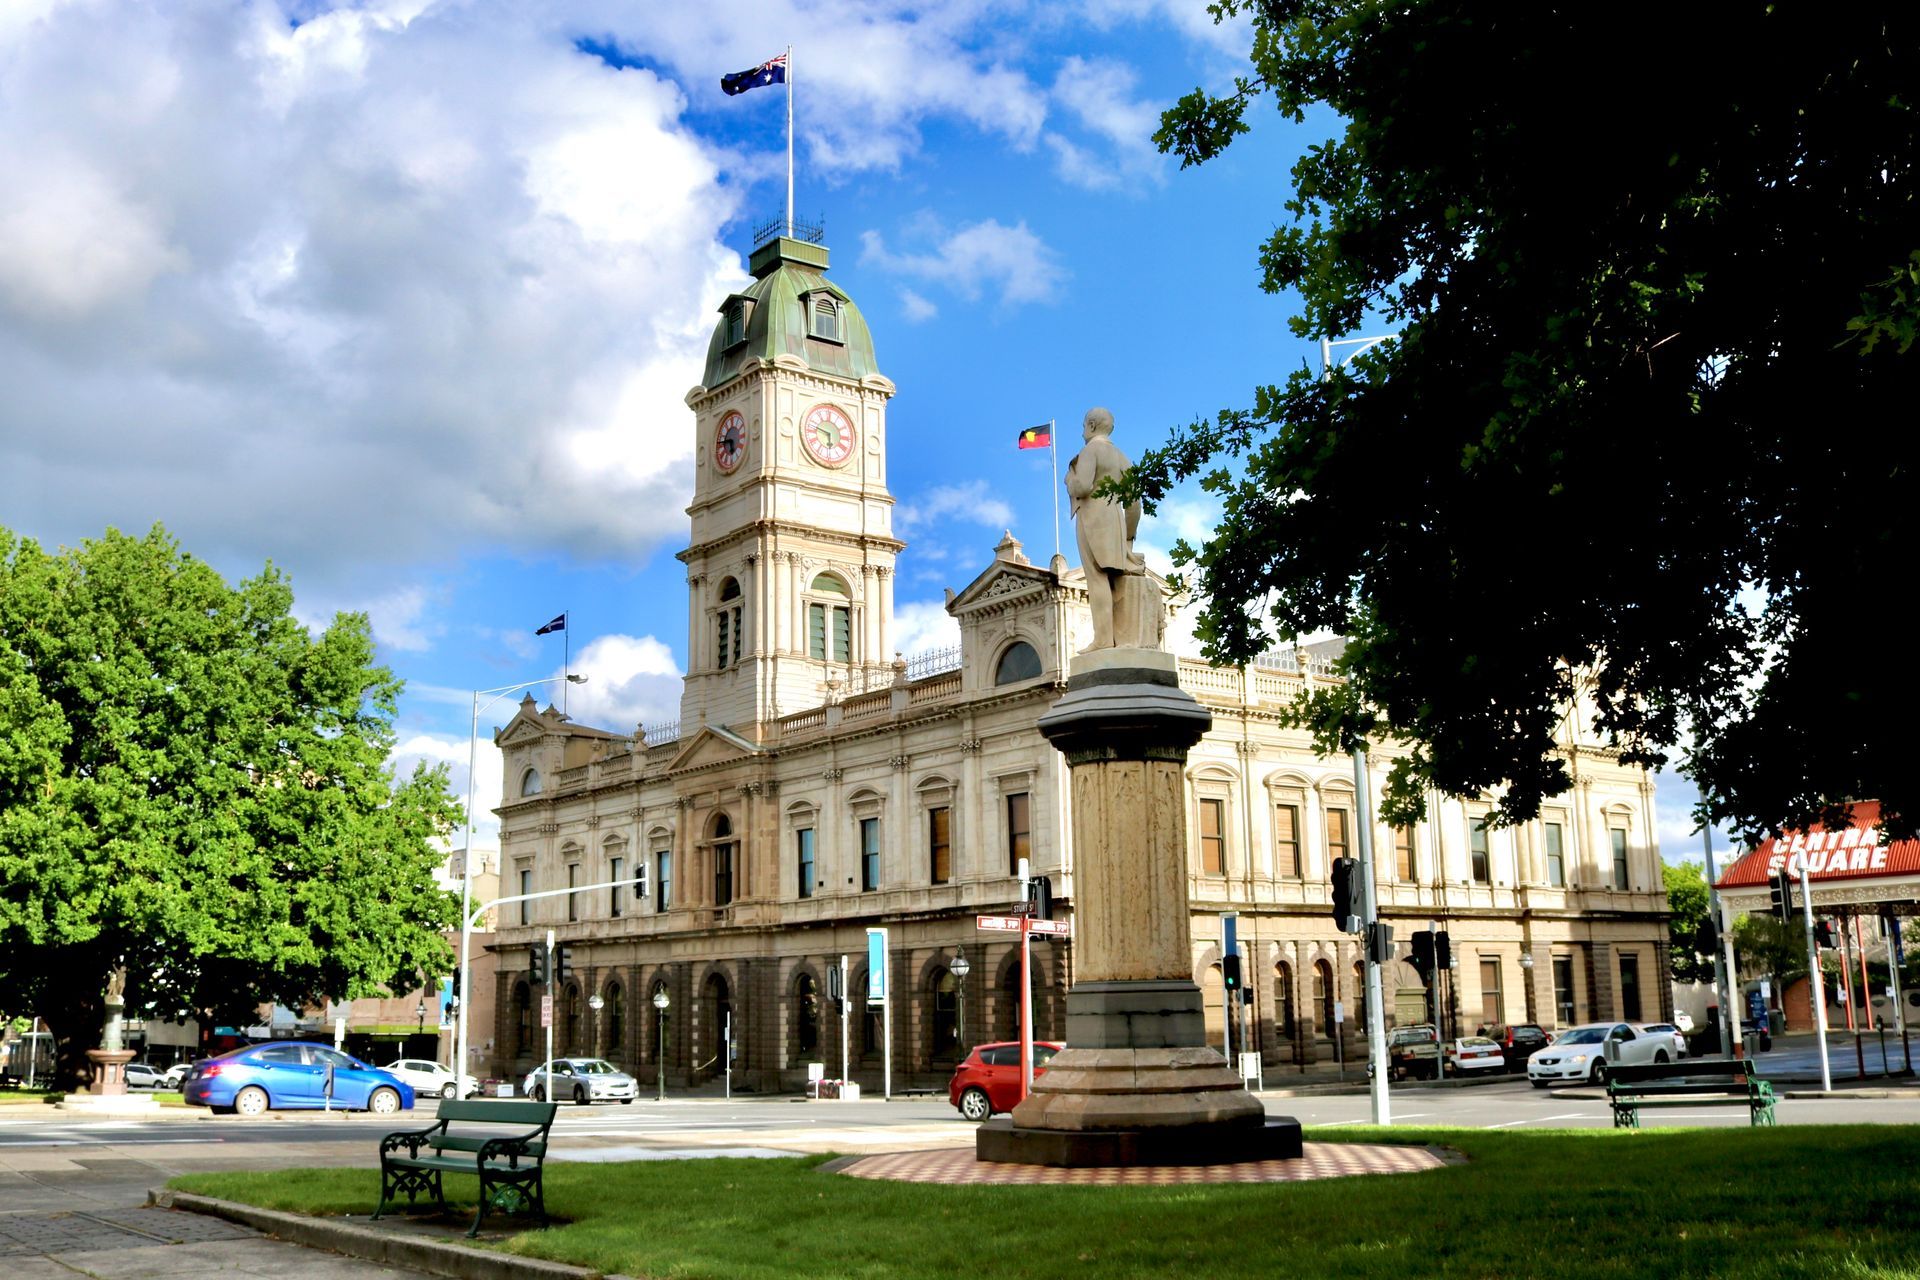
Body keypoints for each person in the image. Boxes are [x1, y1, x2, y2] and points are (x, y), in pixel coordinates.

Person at [1064, 407, 1146, 650]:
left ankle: (1102, 640)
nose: (1082, 433)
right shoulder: (1121, 456)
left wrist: (1070, 480)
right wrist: (1129, 535)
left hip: (1092, 518)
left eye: (1083, 427)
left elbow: (1082, 487)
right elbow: (1134, 503)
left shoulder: (1090, 451)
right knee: (1115, 580)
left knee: (1097, 579)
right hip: (1115, 521)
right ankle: (1120, 637)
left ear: (1090, 425)